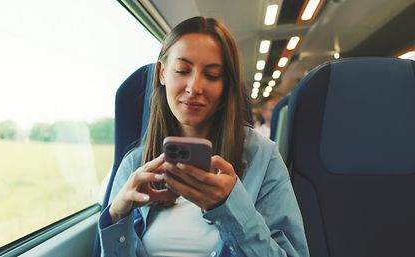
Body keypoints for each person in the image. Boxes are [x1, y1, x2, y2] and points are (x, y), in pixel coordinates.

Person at [98, 16, 309, 257]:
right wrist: (116, 217)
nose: (194, 87)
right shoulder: (135, 165)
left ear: (226, 84)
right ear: (162, 73)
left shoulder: (262, 158)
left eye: (212, 75)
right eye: (182, 70)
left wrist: (230, 206)